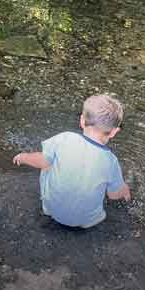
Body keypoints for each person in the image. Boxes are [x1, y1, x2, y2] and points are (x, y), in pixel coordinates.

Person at [13, 93, 131, 228]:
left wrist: (24, 157)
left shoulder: (64, 139)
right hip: (88, 221)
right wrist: (124, 189)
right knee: (107, 183)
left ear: (82, 121)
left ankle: (51, 205)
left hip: (51, 211)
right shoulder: (111, 161)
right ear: (114, 132)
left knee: (47, 163)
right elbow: (113, 196)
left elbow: (41, 161)